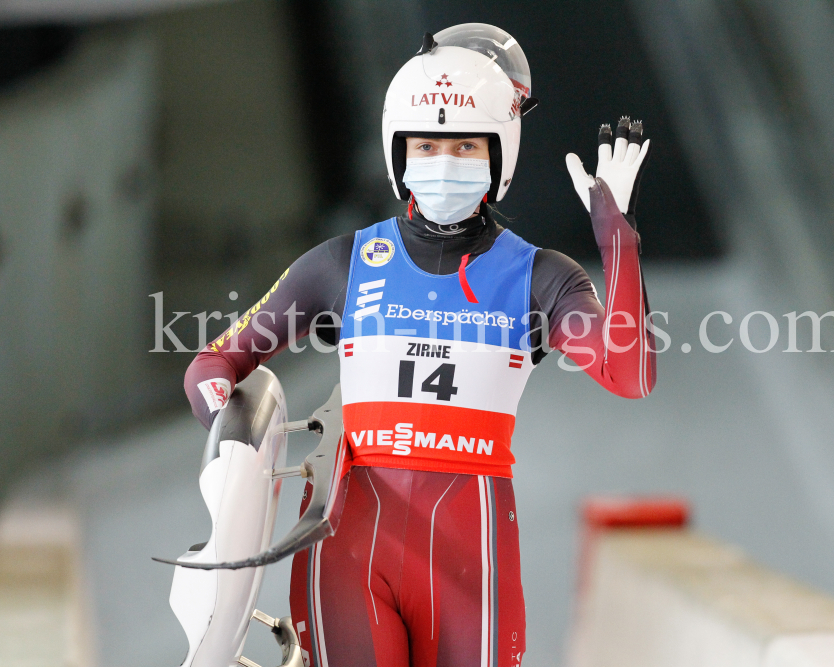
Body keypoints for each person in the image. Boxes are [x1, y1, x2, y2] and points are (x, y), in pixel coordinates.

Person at [183, 23, 655, 667]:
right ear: (397, 153)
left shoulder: (540, 276)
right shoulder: (343, 263)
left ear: (500, 155)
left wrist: (618, 243)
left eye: (465, 145)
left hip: (470, 560)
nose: (444, 162)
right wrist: (230, 437)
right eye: (426, 145)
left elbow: (629, 372)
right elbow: (215, 363)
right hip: (348, 547)